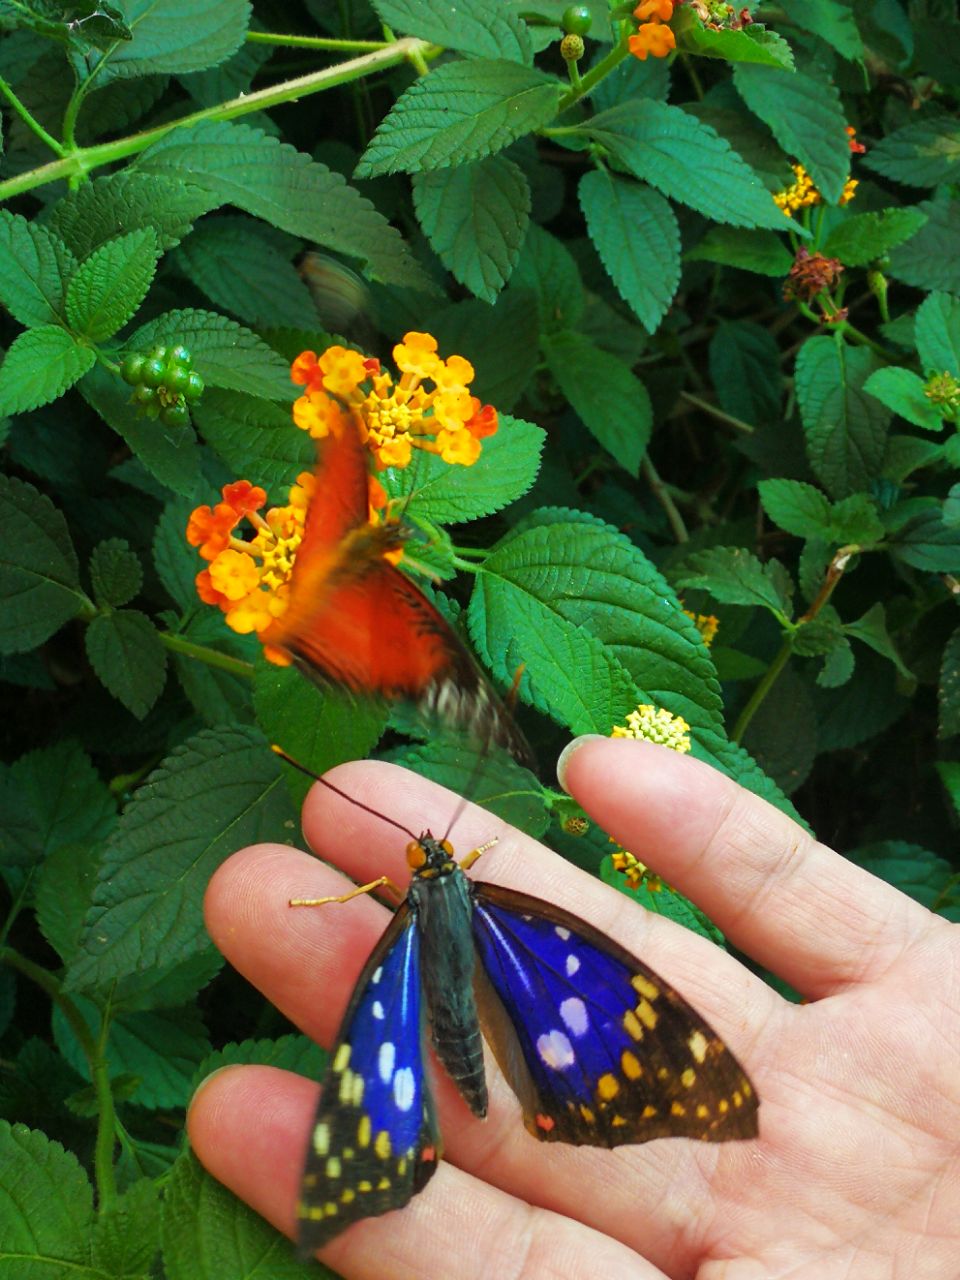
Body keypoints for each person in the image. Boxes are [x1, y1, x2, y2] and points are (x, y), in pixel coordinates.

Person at [188, 735, 960, 1279]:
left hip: (424, 982)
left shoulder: (412, 913)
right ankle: (422, 1134)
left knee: (382, 1027)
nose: (431, 857)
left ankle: (395, 1143)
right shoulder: (504, 912)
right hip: (486, 972)